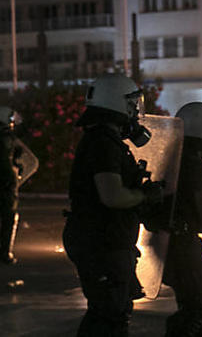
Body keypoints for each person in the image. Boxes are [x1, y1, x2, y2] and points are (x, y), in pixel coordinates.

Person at [63, 73, 162, 336]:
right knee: (109, 316)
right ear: (117, 104)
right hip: (100, 242)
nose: (135, 112)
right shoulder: (103, 144)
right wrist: (145, 196)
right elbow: (112, 196)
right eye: (131, 104)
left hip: (103, 240)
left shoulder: (104, 141)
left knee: (107, 313)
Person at [162, 102, 202, 336]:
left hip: (171, 242)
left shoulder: (174, 159)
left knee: (188, 300)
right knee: (198, 301)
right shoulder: (196, 166)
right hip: (184, 244)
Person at [0, 106, 22, 264]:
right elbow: (6, 164)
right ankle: (4, 253)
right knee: (8, 218)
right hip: (5, 184)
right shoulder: (6, 137)